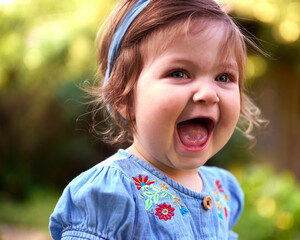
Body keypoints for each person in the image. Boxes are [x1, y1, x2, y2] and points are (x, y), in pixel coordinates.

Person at [49, 0, 263, 239]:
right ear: (124, 97)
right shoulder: (114, 192)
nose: (208, 93)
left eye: (223, 77)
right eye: (179, 73)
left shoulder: (222, 190)